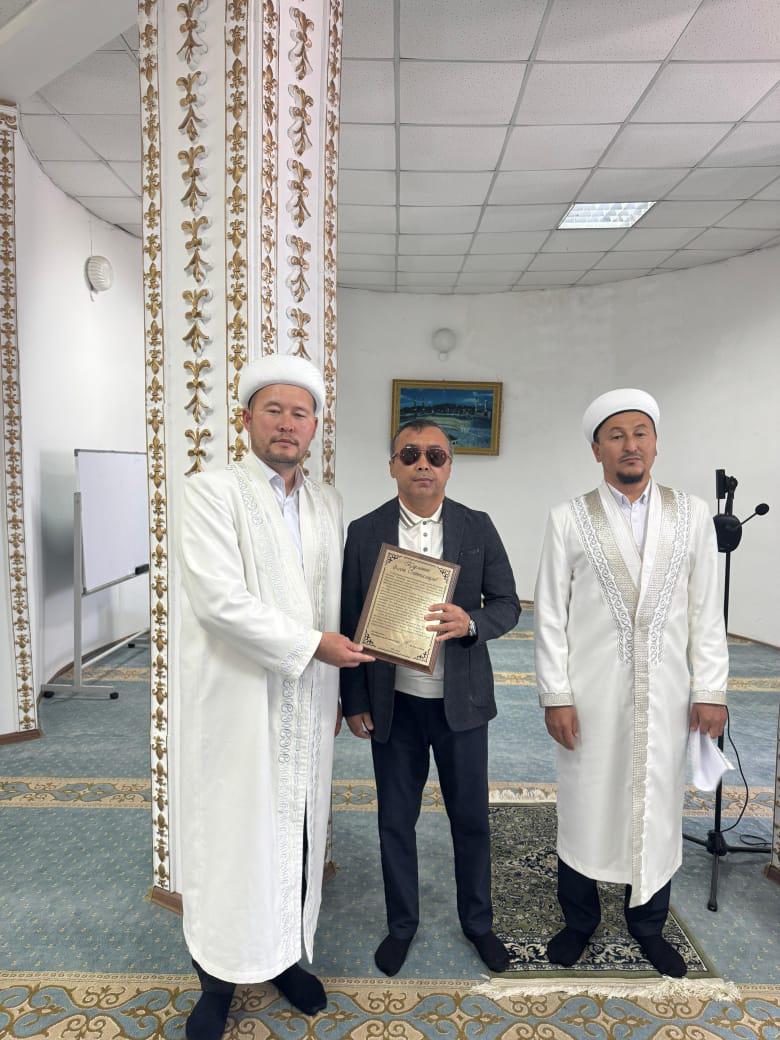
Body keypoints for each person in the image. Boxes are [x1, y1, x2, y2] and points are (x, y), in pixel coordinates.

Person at [176, 354, 373, 1040]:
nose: (287, 424)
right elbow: (219, 602)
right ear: (246, 420)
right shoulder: (210, 492)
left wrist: (340, 682)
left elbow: (336, 602)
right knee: (235, 837)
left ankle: (285, 956)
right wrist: (313, 646)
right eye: (274, 411)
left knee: (299, 830)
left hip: (308, 702)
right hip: (237, 702)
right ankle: (217, 981)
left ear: (315, 426)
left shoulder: (326, 503)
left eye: (300, 413)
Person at [534, 388, 728, 978]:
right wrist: (556, 695)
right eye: (616, 436)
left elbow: (707, 611)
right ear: (596, 449)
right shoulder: (568, 518)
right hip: (591, 699)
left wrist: (710, 690)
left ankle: (648, 927)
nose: (630, 445)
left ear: (656, 443)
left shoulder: (693, 515)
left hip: (667, 697)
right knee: (585, 804)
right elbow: (550, 615)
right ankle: (579, 922)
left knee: (657, 805)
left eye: (640, 433)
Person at [340, 420, 520, 977]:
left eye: (436, 455)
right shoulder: (365, 531)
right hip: (393, 704)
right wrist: (353, 700)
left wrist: (472, 622)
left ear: (449, 466)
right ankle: (402, 926)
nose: (423, 464)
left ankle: (478, 923)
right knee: (396, 821)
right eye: (410, 454)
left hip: (461, 704)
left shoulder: (476, 525)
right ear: (392, 465)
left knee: (471, 819)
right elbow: (349, 617)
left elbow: (508, 604)